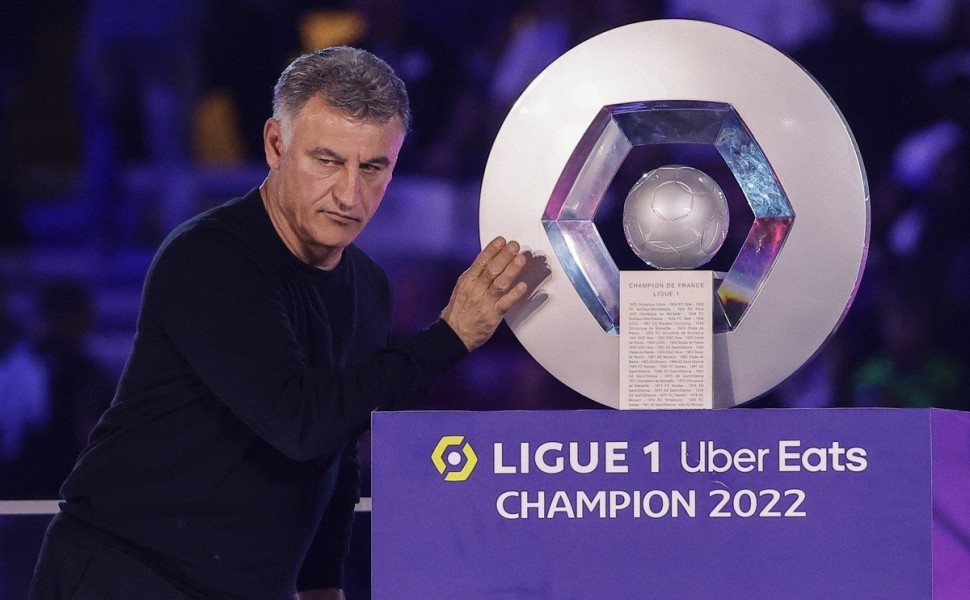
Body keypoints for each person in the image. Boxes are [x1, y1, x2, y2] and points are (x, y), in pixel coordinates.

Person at [30, 46, 529, 600]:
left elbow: (336, 442)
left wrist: (320, 585)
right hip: (127, 573)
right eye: (327, 161)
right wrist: (450, 337)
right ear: (275, 145)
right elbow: (300, 422)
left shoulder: (368, 284)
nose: (349, 194)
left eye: (372, 168)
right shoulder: (211, 256)